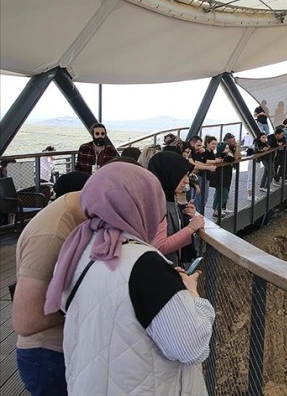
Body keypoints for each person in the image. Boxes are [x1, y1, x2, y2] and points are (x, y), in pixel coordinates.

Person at [43, 162, 214, 395]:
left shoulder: (81, 247)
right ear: (142, 204)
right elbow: (191, 347)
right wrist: (192, 295)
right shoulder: (145, 265)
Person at [12, 172, 90, 396]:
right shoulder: (51, 235)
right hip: (49, 356)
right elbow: (26, 320)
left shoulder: (76, 219)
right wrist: (98, 301)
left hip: (65, 351)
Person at [147, 152, 205, 266]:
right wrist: (191, 228)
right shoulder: (157, 204)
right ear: (169, 174)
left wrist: (185, 216)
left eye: (187, 175)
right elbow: (159, 246)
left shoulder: (167, 196)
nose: (187, 180)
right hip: (162, 268)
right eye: (182, 175)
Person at [211, 133, 241, 218]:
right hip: (221, 178)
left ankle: (218, 209)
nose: (228, 149)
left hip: (225, 177)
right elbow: (233, 158)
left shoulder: (224, 156)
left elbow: (236, 157)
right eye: (226, 148)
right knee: (223, 194)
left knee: (220, 193)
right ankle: (217, 209)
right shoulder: (223, 157)